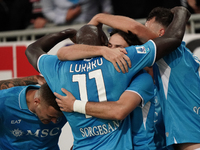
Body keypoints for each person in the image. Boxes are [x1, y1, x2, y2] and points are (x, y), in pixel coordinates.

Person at [25, 6, 190, 150]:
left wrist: (67, 32)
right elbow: (172, 39)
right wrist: (181, 11)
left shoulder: (56, 67)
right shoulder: (121, 60)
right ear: (105, 43)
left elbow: (32, 50)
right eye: (111, 46)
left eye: (118, 47)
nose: (114, 50)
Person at [55, 28, 157, 150]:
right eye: (109, 46)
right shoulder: (110, 79)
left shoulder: (142, 79)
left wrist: (74, 105)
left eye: (118, 47)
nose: (111, 52)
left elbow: (118, 111)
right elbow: (61, 53)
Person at [0, 82, 67, 149]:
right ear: (36, 102)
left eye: (58, 117)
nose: (55, 121)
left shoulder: (68, 106)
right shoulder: (4, 101)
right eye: (50, 116)